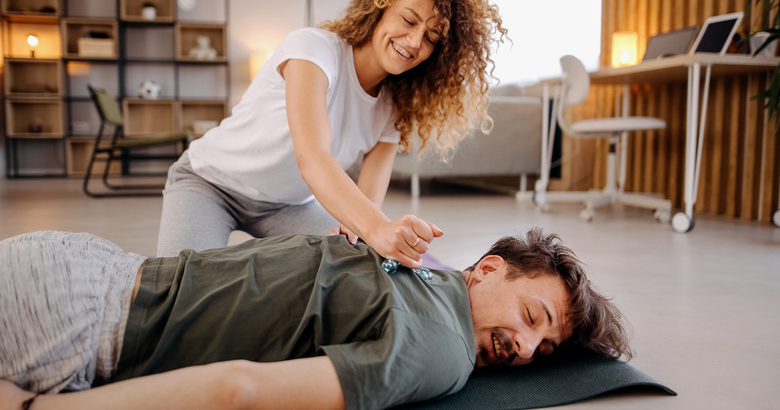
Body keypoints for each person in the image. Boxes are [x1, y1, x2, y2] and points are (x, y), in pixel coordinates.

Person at [0, 228, 630, 410]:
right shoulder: (442, 348)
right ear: (487, 270)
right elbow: (237, 390)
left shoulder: (415, 266)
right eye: (532, 317)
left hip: (79, 262)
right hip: (76, 327)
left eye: (542, 351)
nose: (523, 349)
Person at [156, 0, 506, 269]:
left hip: (286, 206)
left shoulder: (393, 109)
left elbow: (367, 207)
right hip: (210, 183)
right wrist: (376, 228)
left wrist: (363, 232)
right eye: (408, 20)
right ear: (380, 8)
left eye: (431, 38)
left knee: (358, 260)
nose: (414, 42)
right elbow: (313, 157)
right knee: (179, 291)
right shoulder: (314, 49)